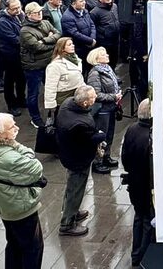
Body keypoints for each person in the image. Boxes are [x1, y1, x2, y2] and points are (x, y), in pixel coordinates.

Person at [0, 112, 47, 269]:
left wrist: (12, 143)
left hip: (3, 204)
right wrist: (16, 145)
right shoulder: (8, 158)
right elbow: (36, 167)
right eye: (11, 127)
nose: (17, 128)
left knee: (14, 243)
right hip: (19, 206)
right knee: (32, 248)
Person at [54, 85, 106, 237]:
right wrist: (101, 135)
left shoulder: (67, 104)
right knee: (75, 190)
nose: (95, 98)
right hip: (78, 159)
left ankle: (73, 211)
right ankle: (67, 223)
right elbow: (91, 139)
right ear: (84, 103)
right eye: (92, 98)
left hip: (68, 153)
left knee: (72, 186)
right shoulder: (80, 124)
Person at [121, 99, 155, 267]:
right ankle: (143, 255)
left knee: (138, 217)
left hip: (134, 182)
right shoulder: (151, 135)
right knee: (148, 220)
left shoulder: (131, 129)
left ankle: (135, 253)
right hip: (147, 184)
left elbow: (124, 158)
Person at [20, 2, 59, 128]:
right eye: (36, 13)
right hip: (34, 67)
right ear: (29, 15)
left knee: (52, 89)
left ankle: (55, 113)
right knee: (33, 94)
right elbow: (37, 47)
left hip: (48, 63)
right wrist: (50, 40)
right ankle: (35, 118)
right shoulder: (25, 31)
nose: (40, 14)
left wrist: (45, 40)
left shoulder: (46, 23)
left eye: (40, 12)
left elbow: (58, 34)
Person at [85, 46, 122, 174]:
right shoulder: (94, 73)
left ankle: (106, 156)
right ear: (96, 59)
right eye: (103, 54)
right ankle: (98, 162)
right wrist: (114, 96)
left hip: (111, 107)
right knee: (101, 136)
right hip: (102, 110)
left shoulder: (108, 69)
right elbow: (96, 94)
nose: (107, 55)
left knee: (110, 134)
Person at [45, 37, 85, 117]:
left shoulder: (76, 59)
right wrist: (51, 105)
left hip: (76, 96)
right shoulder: (55, 66)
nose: (73, 46)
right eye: (69, 45)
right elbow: (50, 87)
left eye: (72, 44)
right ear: (62, 48)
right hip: (63, 99)